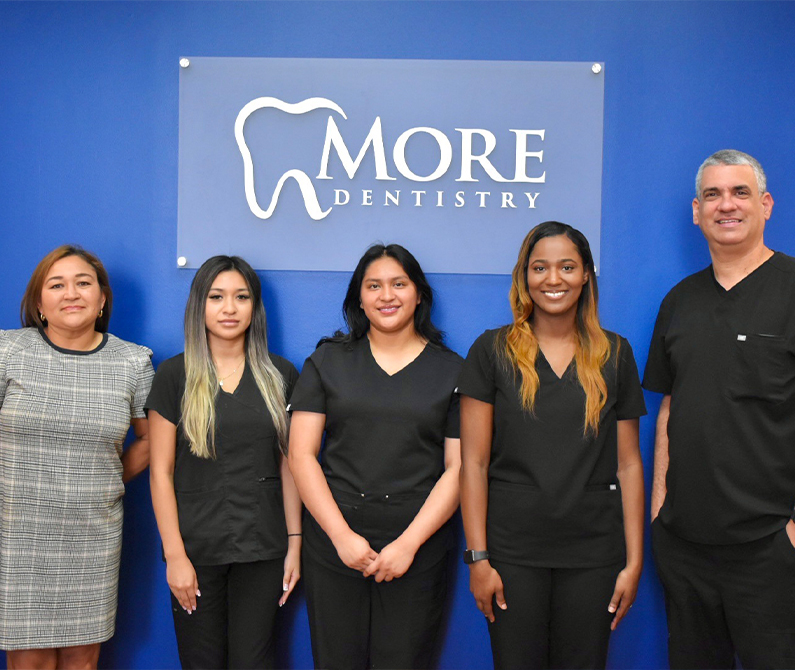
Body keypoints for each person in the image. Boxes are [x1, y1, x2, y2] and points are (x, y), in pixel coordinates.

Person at [459, 221, 646, 670]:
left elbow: (628, 467)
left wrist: (635, 563)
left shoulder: (615, 354)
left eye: (567, 267)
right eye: (540, 267)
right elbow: (473, 462)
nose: (553, 279)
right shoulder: (491, 351)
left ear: (586, 276)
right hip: (512, 554)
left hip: (593, 554)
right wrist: (478, 559)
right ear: (525, 277)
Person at [644, 150, 795, 669]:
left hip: (771, 549)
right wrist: (659, 509)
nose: (725, 205)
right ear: (695, 210)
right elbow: (669, 408)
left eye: (739, 192)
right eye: (712, 194)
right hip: (685, 546)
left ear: (766, 205)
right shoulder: (679, 301)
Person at [287, 243, 462, 670]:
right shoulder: (328, 360)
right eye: (374, 286)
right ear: (359, 299)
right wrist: (341, 537)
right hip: (335, 544)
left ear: (418, 293)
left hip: (417, 547)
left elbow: (459, 468)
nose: (387, 295)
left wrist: (408, 544)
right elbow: (301, 454)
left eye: (399, 284)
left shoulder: (453, 369)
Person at [0, 245, 153, 670]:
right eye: (57, 284)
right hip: (16, 535)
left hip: (91, 533)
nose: (72, 293)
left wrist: (104, 481)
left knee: (82, 660)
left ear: (102, 298)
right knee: (28, 661)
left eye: (83, 283)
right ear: (39, 302)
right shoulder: (7, 350)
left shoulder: (132, 361)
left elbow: (153, 439)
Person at [146, 256, 301, 669]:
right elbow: (160, 473)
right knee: (202, 662)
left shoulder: (281, 375)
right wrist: (175, 556)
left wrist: (295, 544)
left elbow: (291, 468)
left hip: (263, 549)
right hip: (196, 551)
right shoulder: (173, 376)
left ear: (255, 307)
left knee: (255, 661)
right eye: (217, 297)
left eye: (241, 297)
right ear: (200, 305)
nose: (229, 308)